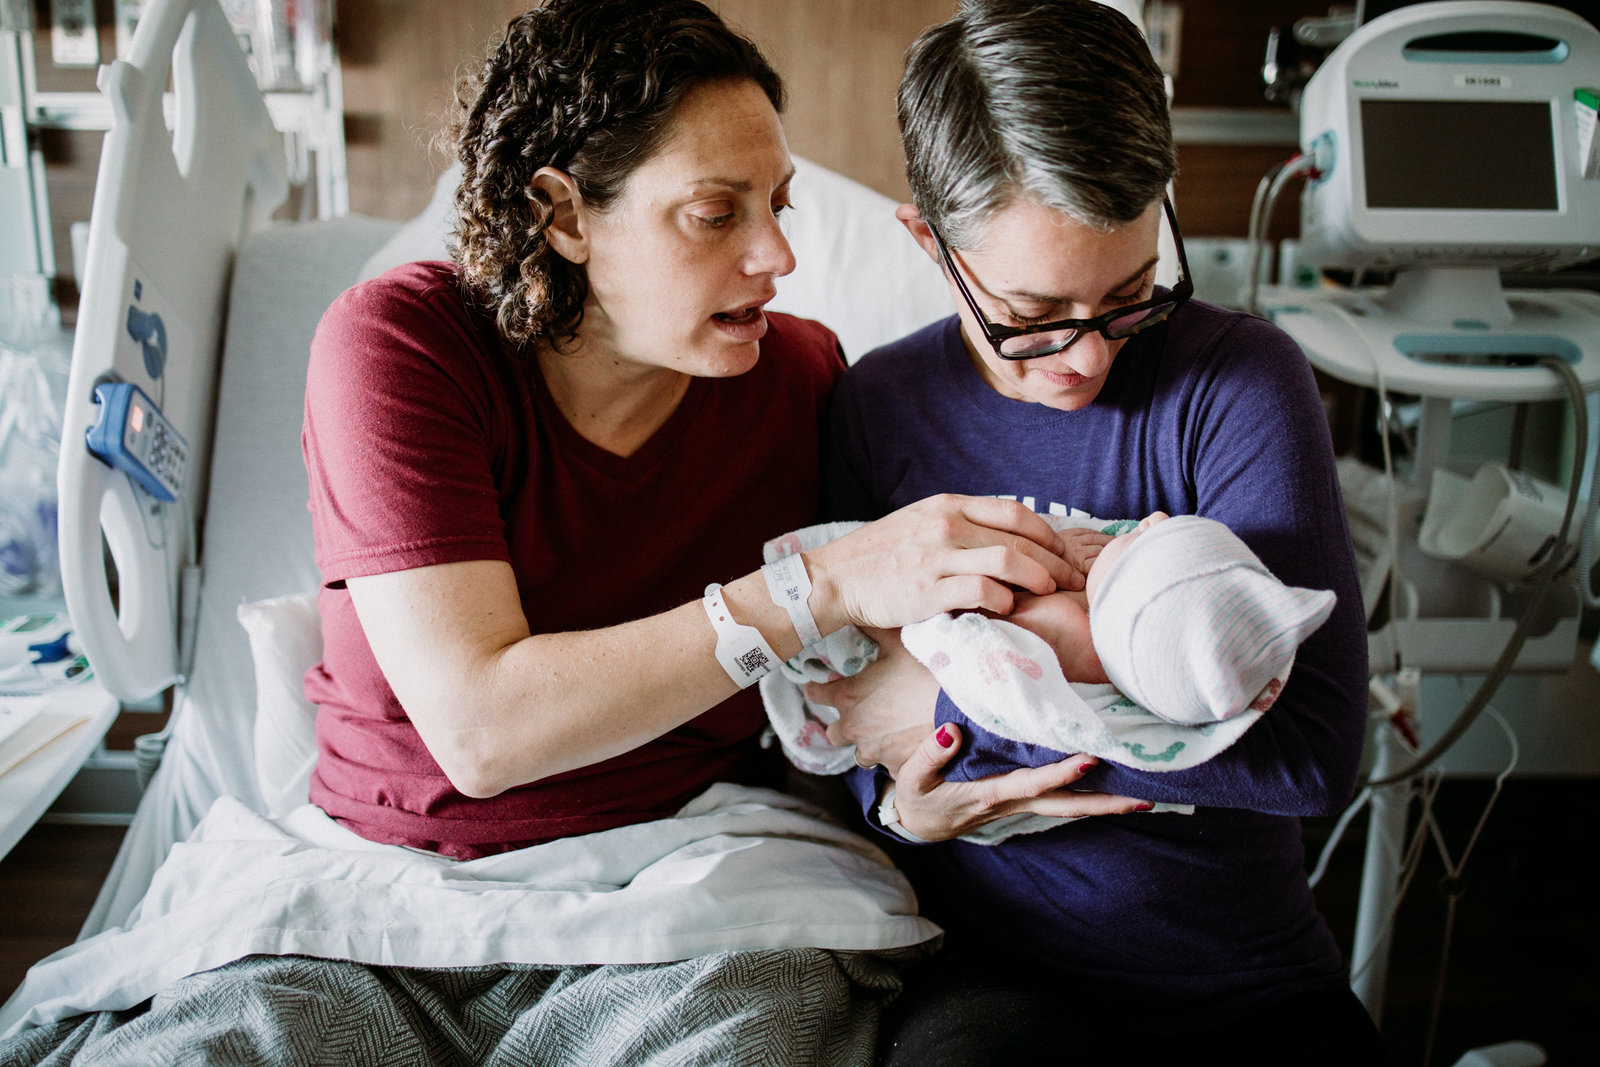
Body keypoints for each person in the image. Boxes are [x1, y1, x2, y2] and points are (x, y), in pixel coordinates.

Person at [809, 1, 1391, 1063]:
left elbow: (1312, 755)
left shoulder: (1235, 383)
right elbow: (843, 719)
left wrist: (955, 709)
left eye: (1129, 296)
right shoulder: (874, 409)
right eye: (1031, 317)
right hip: (987, 971)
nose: (1083, 360)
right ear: (927, 243)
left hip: (1237, 972)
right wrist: (899, 803)